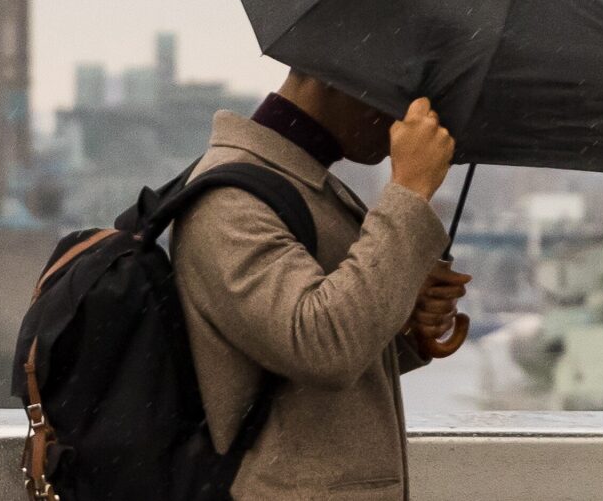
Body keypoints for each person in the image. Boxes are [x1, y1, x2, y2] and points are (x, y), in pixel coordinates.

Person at [171, 70, 471, 499]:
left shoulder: (301, 187)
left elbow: (292, 357)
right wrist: (409, 189)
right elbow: (323, 348)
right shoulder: (231, 202)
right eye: (398, 91)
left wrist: (405, 322)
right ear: (331, 71)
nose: (402, 116)